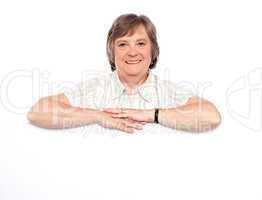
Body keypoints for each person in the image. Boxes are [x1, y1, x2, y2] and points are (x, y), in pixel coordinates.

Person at [27, 13, 221, 133]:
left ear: (153, 50)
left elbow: (211, 116)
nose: (132, 52)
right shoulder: (95, 89)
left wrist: (151, 115)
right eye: (122, 44)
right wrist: (97, 116)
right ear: (111, 52)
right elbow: (38, 112)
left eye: (141, 43)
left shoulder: (167, 91)